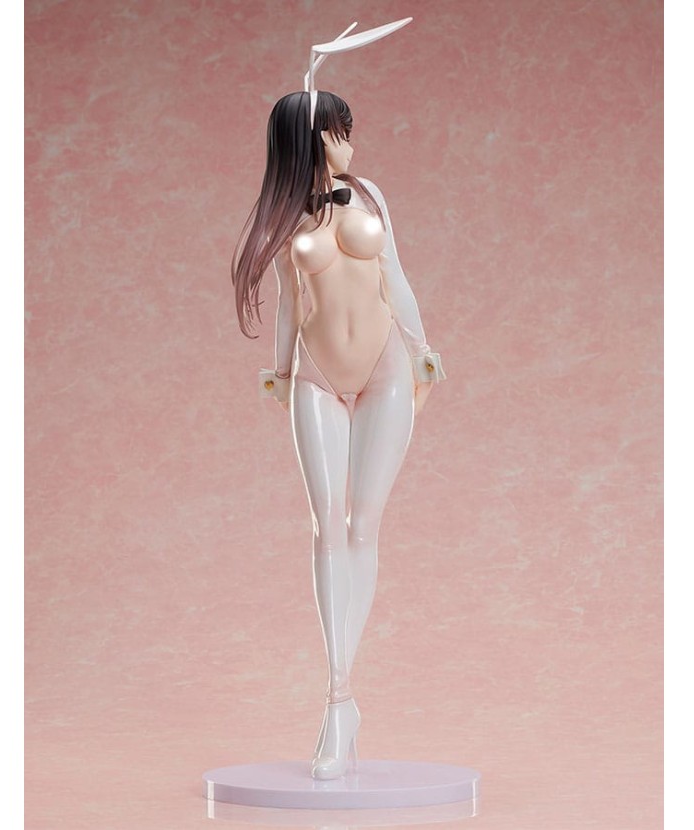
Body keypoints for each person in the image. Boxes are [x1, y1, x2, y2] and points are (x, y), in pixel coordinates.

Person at [232, 89, 446, 780]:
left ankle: (341, 706)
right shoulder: (287, 213)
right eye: (337, 129)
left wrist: (422, 348)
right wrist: (278, 372)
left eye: (346, 128)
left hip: (385, 369)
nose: (348, 139)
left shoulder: (371, 195)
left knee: (362, 526)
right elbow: (291, 304)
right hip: (315, 376)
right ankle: (338, 700)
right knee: (325, 526)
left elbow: (396, 277)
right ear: (312, 137)